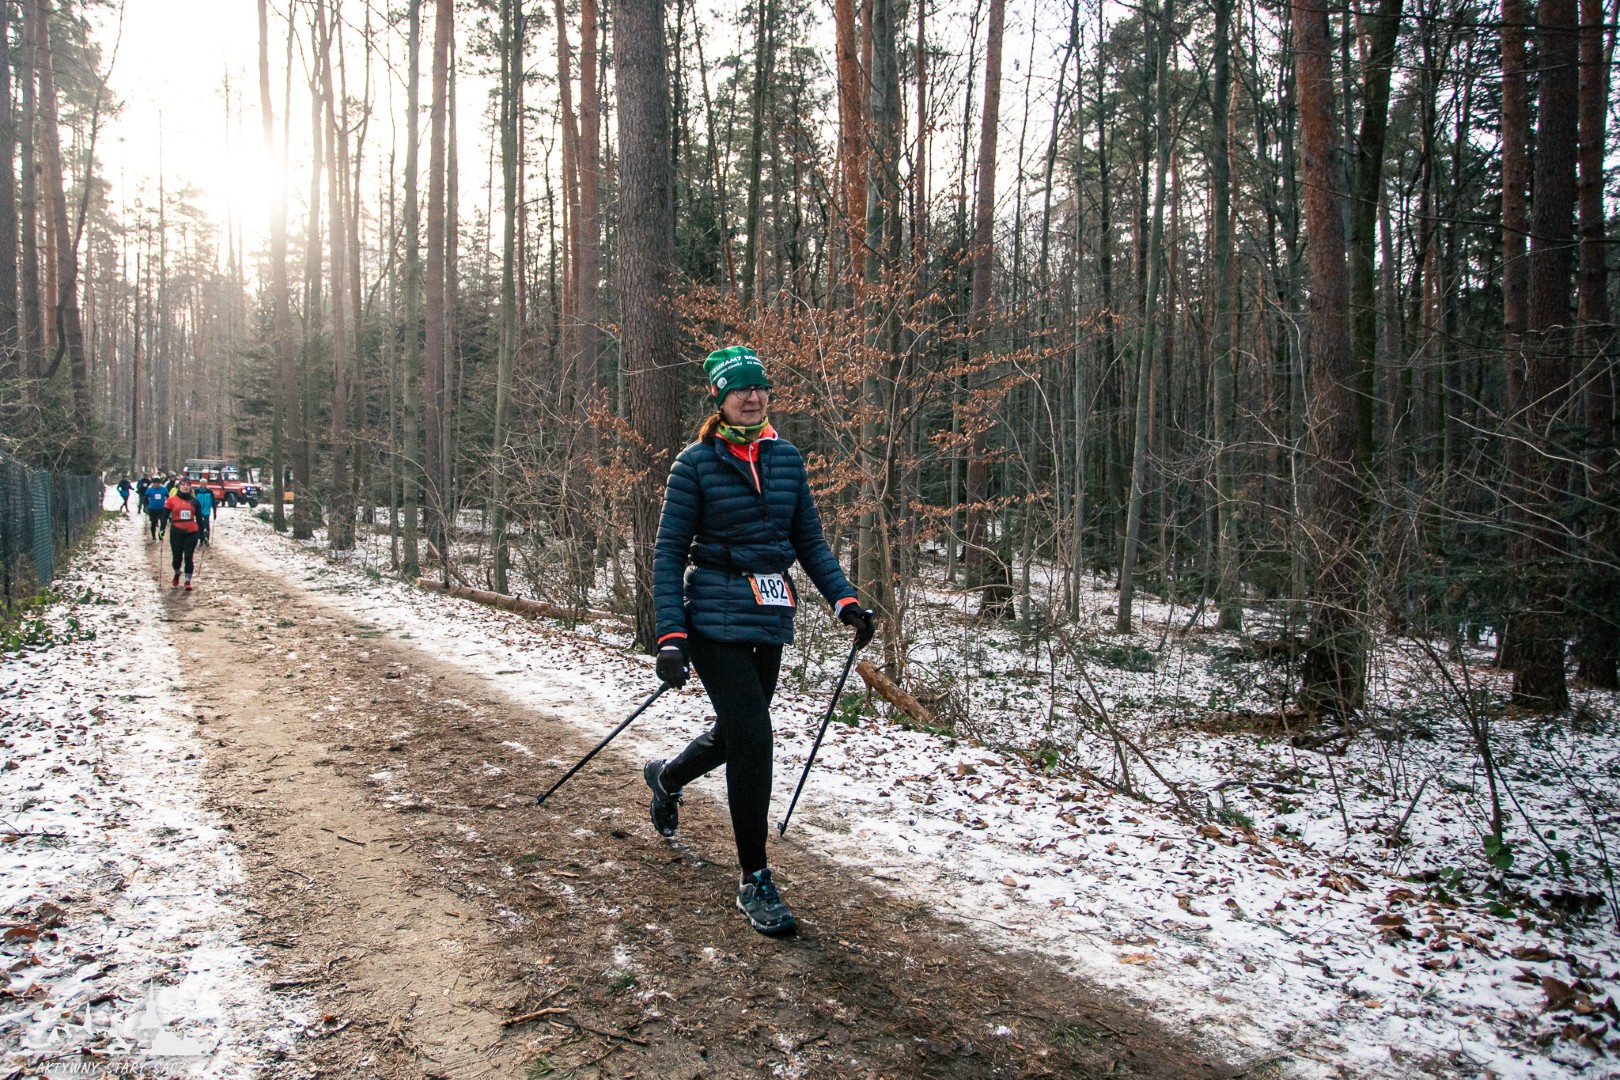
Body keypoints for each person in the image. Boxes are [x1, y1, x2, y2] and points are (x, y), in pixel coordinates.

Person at [644, 345, 875, 937]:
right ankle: (755, 878)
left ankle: (667, 778)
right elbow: (668, 554)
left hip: (769, 613)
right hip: (711, 617)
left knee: (735, 733)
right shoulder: (695, 464)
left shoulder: (786, 459)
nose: (752, 397)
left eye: (759, 388)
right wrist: (671, 635)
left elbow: (809, 540)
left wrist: (844, 599)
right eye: (740, 389)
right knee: (754, 736)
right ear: (720, 399)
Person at [164, 478, 203, 590]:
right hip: (176, 530)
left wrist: (202, 532)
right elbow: (164, 515)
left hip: (191, 531)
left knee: (189, 557)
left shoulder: (194, 501)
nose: (185, 487)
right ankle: (177, 572)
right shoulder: (171, 500)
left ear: (190, 487)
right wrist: (162, 528)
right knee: (177, 558)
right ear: (179, 486)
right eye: (183, 484)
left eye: (188, 485)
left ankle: (187, 581)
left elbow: (199, 518)